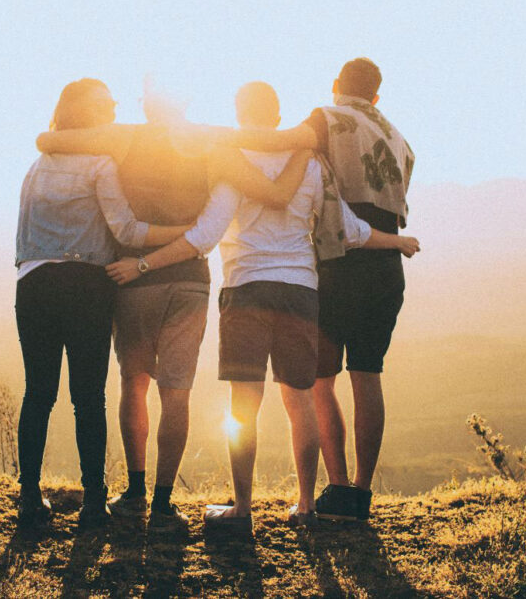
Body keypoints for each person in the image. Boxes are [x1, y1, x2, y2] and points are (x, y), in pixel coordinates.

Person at [106, 82, 419, 530]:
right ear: (278, 117)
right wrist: (398, 241)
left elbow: (205, 236)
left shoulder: (232, 161)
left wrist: (143, 264)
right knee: (300, 402)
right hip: (301, 291)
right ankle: (307, 506)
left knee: (243, 405)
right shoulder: (311, 164)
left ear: (238, 113)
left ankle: (242, 509)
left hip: (246, 288)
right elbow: (350, 229)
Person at [35, 88, 311, 532]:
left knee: (134, 382)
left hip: (135, 279)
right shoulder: (210, 141)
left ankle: (135, 492)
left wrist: (46, 141)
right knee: (176, 391)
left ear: (146, 104)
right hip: (189, 281)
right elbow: (270, 158)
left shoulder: (123, 138)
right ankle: (164, 506)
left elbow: (51, 142)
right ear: (184, 103)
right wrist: (303, 138)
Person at [226, 58, 417, 521]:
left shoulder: (325, 118)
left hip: (339, 262)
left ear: (336, 86)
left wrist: (215, 140)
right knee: (368, 375)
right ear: (376, 95)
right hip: (386, 264)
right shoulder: (398, 138)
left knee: (320, 381)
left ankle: (334, 488)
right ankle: (361, 493)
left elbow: (279, 143)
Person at [14, 78, 190, 531]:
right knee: (87, 398)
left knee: (38, 393)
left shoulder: (37, 165)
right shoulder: (100, 163)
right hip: (86, 286)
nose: (113, 107)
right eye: (105, 103)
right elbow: (128, 232)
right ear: (88, 114)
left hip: (33, 283)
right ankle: (93, 503)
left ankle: (29, 500)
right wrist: (183, 234)